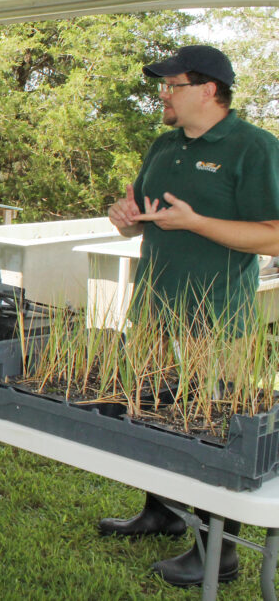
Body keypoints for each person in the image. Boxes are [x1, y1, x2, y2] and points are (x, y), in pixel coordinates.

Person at [102, 45, 279, 587]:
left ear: (209, 90)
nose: (162, 94)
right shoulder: (164, 144)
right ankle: (163, 511)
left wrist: (197, 223)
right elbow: (149, 220)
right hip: (155, 305)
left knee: (209, 425)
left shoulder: (255, 148)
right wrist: (127, 219)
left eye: (171, 85)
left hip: (217, 315)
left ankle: (218, 551)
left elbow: (273, 234)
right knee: (152, 409)